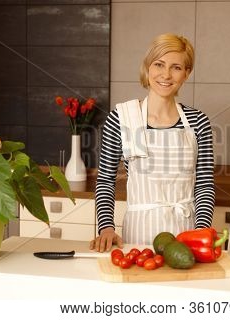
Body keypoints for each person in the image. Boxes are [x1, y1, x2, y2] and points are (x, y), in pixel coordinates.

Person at [90, 33, 215, 252]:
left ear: (187, 73)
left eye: (176, 67)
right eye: (159, 64)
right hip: (139, 236)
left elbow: (204, 185)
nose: (166, 75)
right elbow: (105, 181)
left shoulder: (198, 121)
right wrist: (106, 227)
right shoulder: (122, 117)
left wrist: (201, 231)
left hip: (186, 236)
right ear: (148, 67)